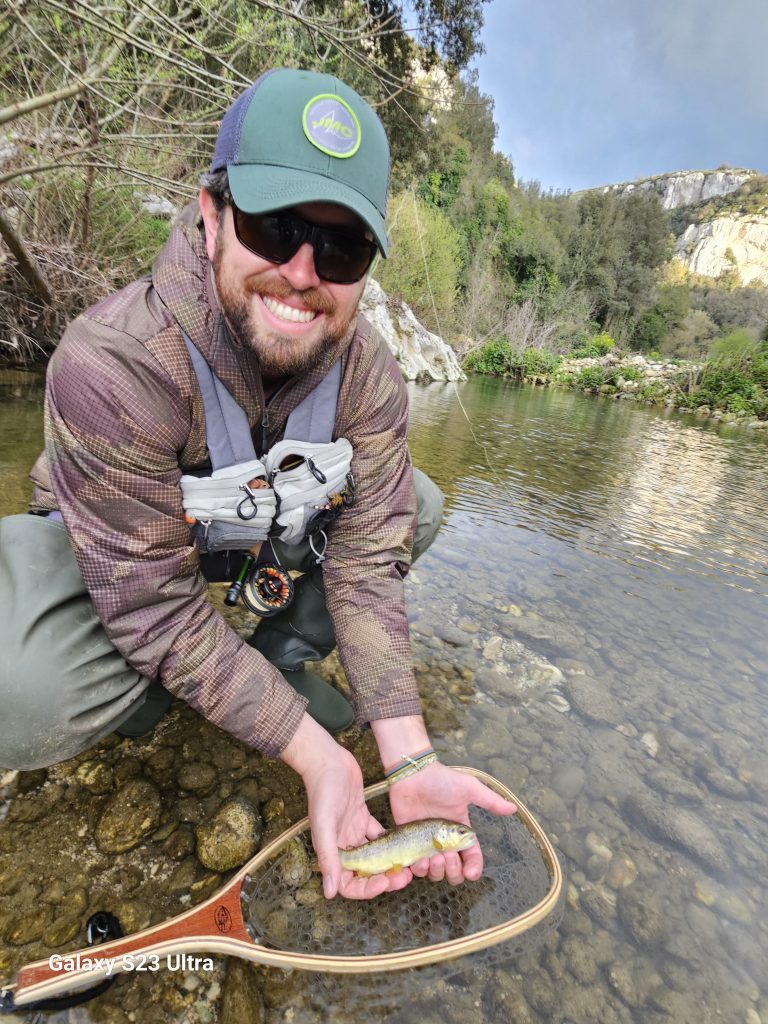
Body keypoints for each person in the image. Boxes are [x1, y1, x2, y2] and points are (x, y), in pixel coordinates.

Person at [0, 68, 515, 899]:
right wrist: (311, 752)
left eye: (341, 248)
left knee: (412, 503)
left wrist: (407, 757)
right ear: (212, 216)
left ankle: (275, 661)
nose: (303, 272)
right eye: (275, 228)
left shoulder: (371, 379)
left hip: (248, 532)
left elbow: (367, 566)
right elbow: (153, 608)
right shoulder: (113, 361)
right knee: (15, 686)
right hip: (119, 555)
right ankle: (145, 698)